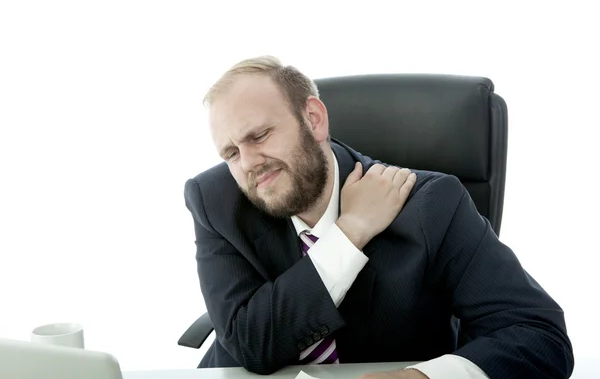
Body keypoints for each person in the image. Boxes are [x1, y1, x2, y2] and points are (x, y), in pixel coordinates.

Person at [184, 56, 574, 378]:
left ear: (314, 119)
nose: (248, 163)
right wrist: (349, 233)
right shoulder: (215, 200)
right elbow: (251, 345)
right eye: (231, 153)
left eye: (260, 135)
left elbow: (539, 335)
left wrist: (418, 378)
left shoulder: (432, 203)